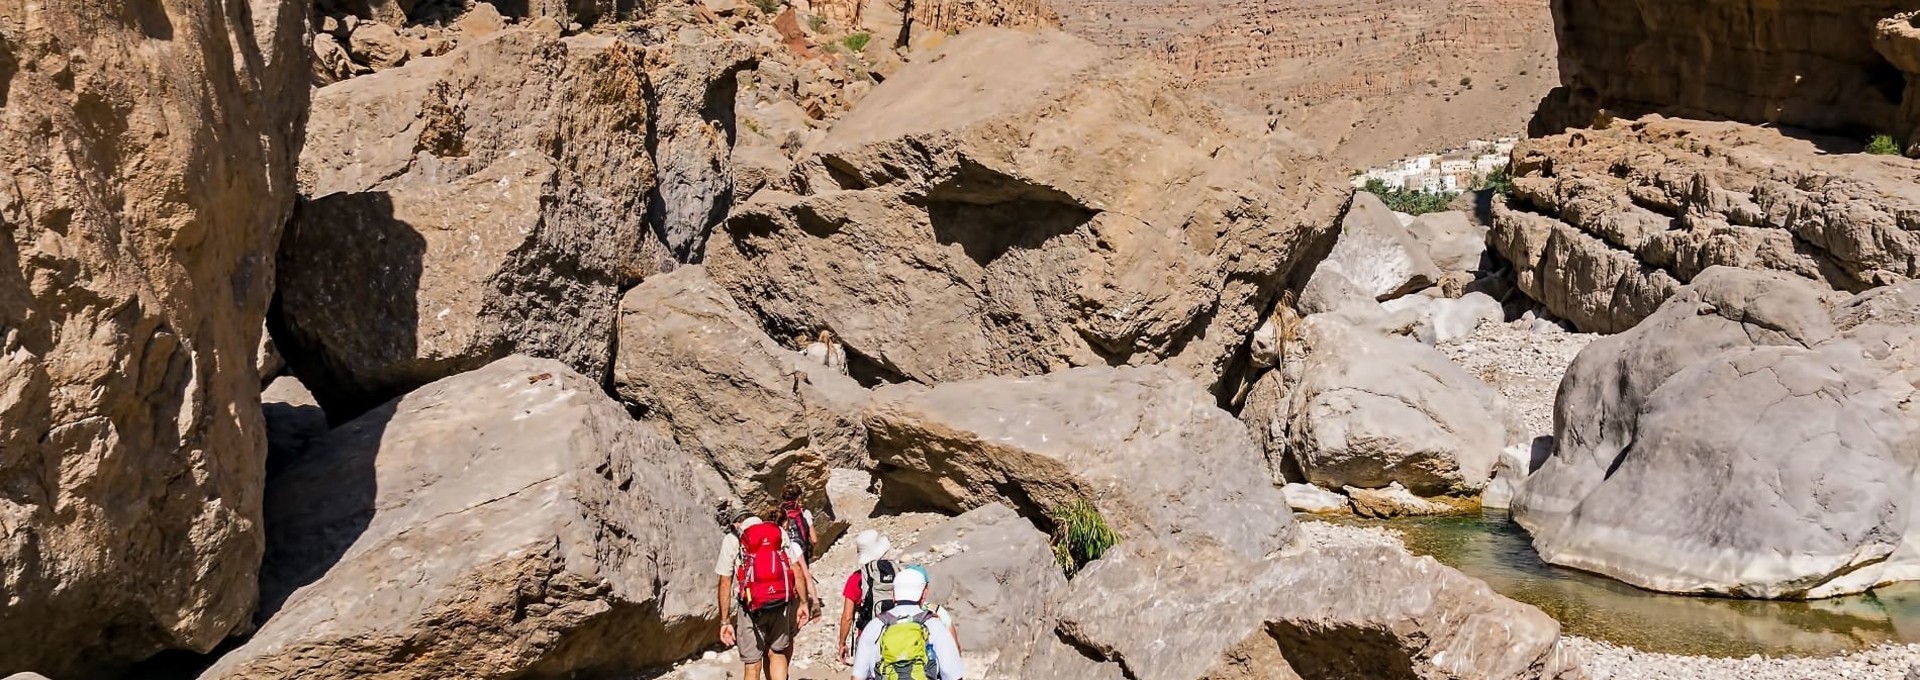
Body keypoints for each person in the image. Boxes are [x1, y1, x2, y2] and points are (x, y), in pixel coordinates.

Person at [716, 506, 814, 680]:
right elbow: (796, 568)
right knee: (777, 653)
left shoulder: (732, 539)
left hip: (751, 608)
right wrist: (804, 603)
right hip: (781, 605)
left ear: (737, 523)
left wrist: (725, 621)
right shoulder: (776, 531)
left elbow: (725, 582)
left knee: (753, 664)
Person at [849, 568, 965, 680]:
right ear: (924, 594)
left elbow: (858, 676)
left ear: (893, 595)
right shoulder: (935, 626)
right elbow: (954, 676)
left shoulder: (874, 626)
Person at [838, 530, 897, 665]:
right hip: (895, 634)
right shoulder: (897, 572)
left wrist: (842, 643)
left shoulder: (856, 579)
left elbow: (847, 617)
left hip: (867, 636)